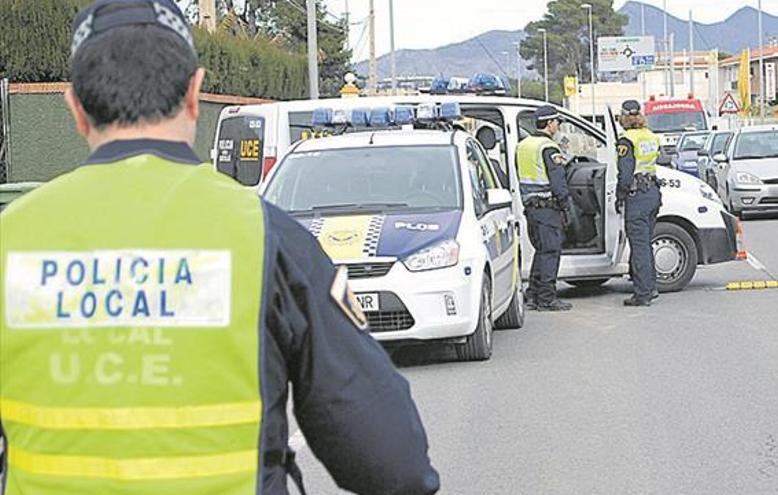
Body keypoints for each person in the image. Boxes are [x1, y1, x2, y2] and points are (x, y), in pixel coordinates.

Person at [0, 2, 440, 494]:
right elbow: (392, 462)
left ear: (75, 108)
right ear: (194, 93)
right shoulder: (267, 237)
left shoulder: (11, 240)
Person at [516, 105, 572, 312]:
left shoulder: (522, 146)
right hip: (547, 207)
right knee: (551, 251)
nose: (557, 126)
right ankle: (547, 298)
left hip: (530, 207)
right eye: (557, 122)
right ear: (549, 123)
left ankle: (533, 294)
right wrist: (565, 205)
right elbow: (558, 180)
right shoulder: (548, 147)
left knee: (541, 251)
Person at [616, 100, 663, 307]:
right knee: (646, 243)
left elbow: (625, 176)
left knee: (640, 245)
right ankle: (650, 287)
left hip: (637, 196)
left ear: (624, 117)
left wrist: (619, 196)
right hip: (652, 192)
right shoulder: (651, 136)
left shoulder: (626, 140)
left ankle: (642, 293)